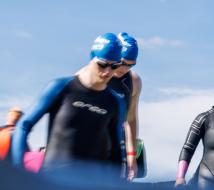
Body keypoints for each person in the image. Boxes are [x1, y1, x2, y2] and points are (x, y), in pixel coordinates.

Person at [11, 33, 129, 178]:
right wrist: (18, 172)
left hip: (92, 187)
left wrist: (115, 187)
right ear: (91, 58)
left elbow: (117, 150)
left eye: (114, 66)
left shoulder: (115, 101)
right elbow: (23, 125)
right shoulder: (62, 88)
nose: (107, 71)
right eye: (102, 64)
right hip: (54, 181)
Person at [108, 32, 142, 180]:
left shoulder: (133, 81)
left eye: (131, 65)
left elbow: (131, 120)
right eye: (122, 63)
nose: (125, 69)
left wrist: (131, 156)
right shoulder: (94, 76)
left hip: (117, 145)